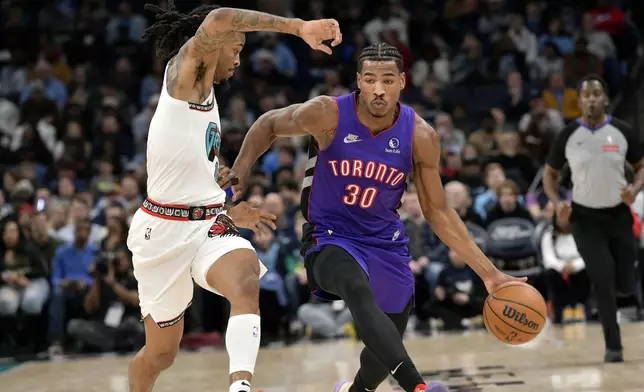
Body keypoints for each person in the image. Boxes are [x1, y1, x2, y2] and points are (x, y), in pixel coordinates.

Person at [220, 43, 524, 392]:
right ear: (359, 82)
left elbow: (437, 211)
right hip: (329, 236)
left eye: (388, 80)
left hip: (385, 243)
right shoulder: (327, 114)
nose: (379, 89)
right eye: (370, 79)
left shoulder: (420, 135)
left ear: (402, 82)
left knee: (387, 338)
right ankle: (417, 386)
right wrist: (242, 169)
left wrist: (491, 275)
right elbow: (267, 124)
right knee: (356, 288)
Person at [127, 2, 341, 392]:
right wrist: (298, 27)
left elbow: (192, 168)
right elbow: (219, 18)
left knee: (245, 277)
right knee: (161, 355)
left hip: (207, 225)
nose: (239, 60)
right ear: (216, 44)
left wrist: (224, 199)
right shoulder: (183, 74)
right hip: (161, 232)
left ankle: (240, 386)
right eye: (237, 49)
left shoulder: (206, 96)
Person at [543, 74, 644, 363]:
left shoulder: (622, 131)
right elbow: (550, 174)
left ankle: (623, 288)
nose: (591, 99)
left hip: (619, 215)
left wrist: (635, 189)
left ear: (605, 99)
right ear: (580, 100)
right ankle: (614, 346)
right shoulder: (567, 135)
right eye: (585, 95)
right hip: (585, 219)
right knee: (602, 276)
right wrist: (556, 201)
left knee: (624, 281)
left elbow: (640, 166)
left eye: (596, 94)